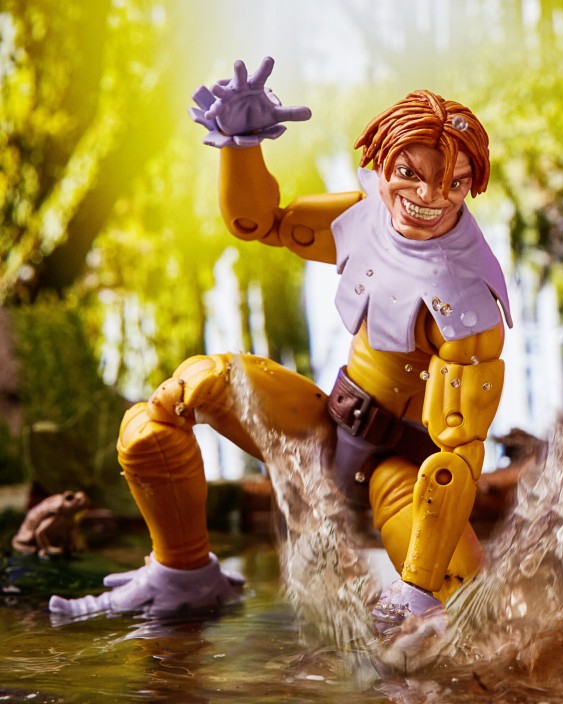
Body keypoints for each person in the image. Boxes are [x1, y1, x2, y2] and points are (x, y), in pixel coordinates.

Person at [49, 57, 511, 633]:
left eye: (452, 183)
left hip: (402, 473)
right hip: (327, 427)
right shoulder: (366, 218)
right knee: (167, 407)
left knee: (474, 616)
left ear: (471, 185)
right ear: (383, 161)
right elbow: (260, 222)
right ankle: (182, 572)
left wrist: (418, 585)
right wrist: (241, 145)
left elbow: (458, 455)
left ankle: (436, 605)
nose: (428, 195)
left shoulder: (466, 302)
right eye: (409, 173)